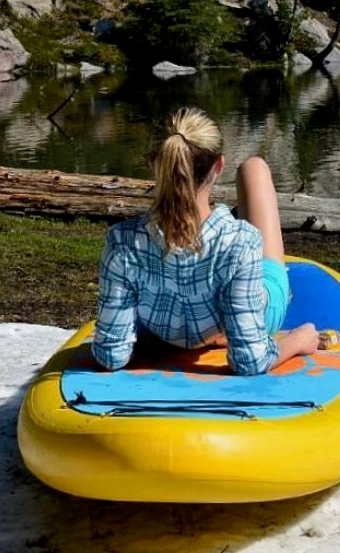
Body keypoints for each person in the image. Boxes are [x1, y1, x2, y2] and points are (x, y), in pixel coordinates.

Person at [92, 107, 319, 374]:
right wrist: (299, 340)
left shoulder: (122, 242)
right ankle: (221, 330)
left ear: (153, 164)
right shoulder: (241, 243)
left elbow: (111, 355)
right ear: (219, 166)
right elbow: (251, 361)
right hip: (247, 308)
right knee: (253, 168)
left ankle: (215, 331)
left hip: (168, 336)